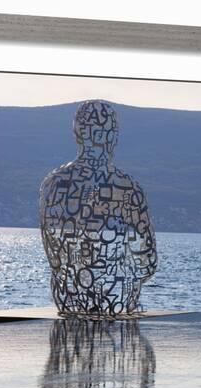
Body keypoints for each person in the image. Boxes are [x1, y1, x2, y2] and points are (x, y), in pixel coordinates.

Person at [39, 99, 157, 317]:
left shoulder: (52, 185)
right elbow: (147, 263)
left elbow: (53, 258)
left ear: (77, 134)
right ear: (112, 138)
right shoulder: (128, 189)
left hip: (69, 299)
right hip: (116, 302)